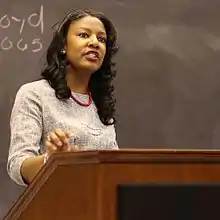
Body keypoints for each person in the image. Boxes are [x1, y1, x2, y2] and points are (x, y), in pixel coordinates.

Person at [7, 9, 119, 186]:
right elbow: (17, 165)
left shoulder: (100, 105)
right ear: (63, 46)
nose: (94, 43)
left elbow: (114, 169)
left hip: (99, 208)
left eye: (101, 39)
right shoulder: (35, 94)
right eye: (84, 35)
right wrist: (52, 160)